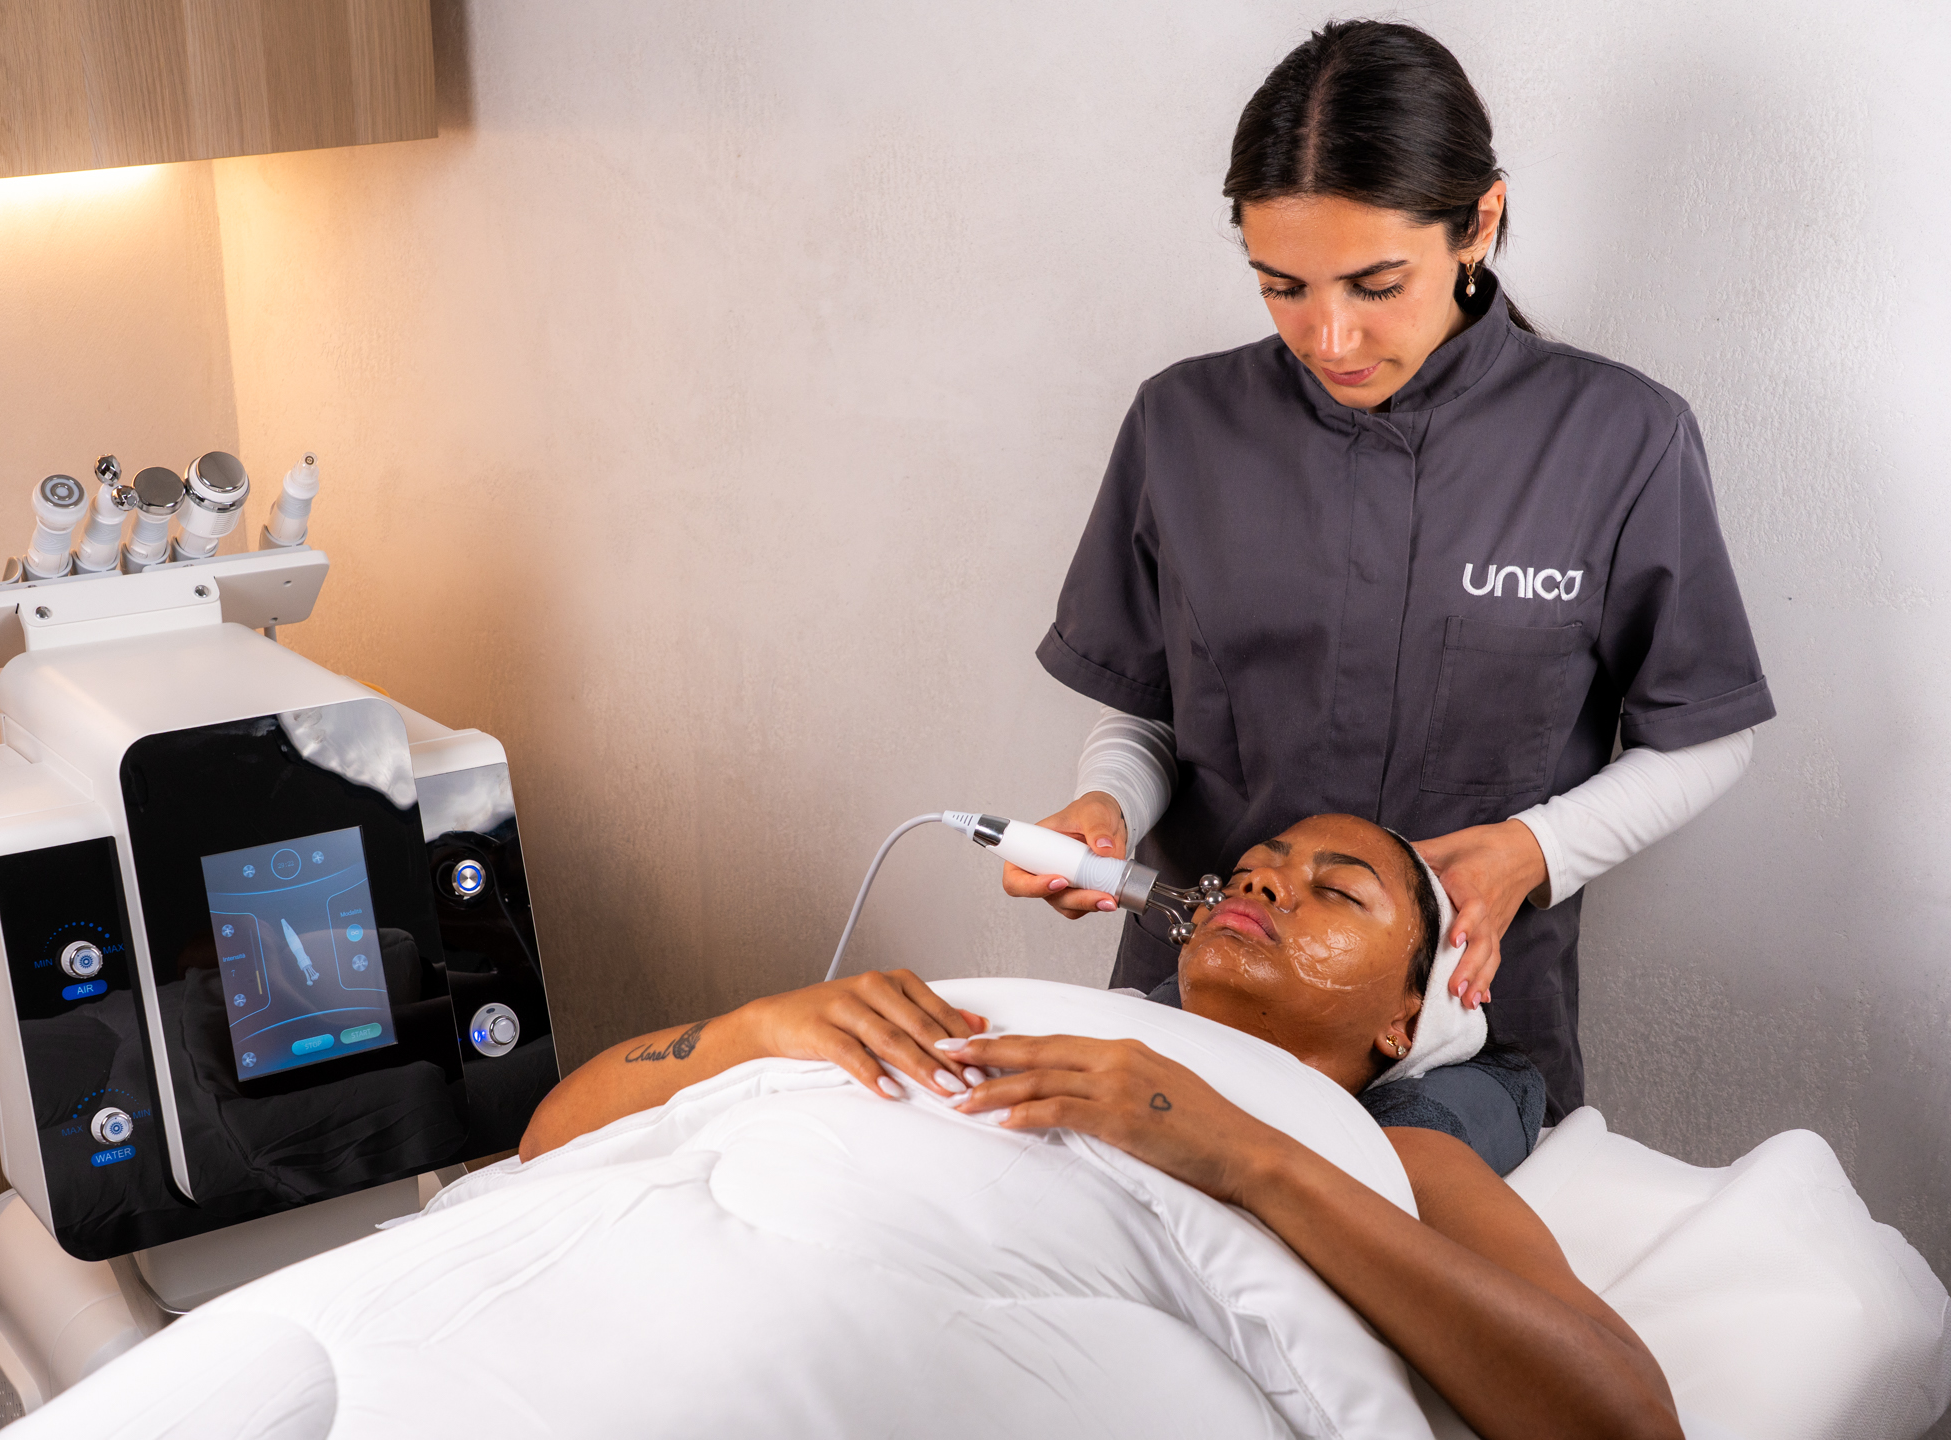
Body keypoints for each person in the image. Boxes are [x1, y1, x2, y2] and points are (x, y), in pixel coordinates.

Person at [1008, 20, 1773, 1121]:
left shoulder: (1620, 439)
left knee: (1391, 1207)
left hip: (1468, 1031)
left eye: (1376, 285)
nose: (1328, 338)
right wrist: (1108, 808)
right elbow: (1148, 709)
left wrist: (1536, 850)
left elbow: (1705, 733)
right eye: (1281, 286)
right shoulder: (1183, 425)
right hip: (1202, 998)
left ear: (1480, 224)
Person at [520, 812, 1681, 1440]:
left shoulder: (1384, 1146)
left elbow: (1627, 1422)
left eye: (1336, 891)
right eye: (1255, 869)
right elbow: (544, 1145)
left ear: (1401, 1021)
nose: (1260, 884)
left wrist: (1243, 1155)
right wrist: (750, 1031)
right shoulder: (1038, 1018)